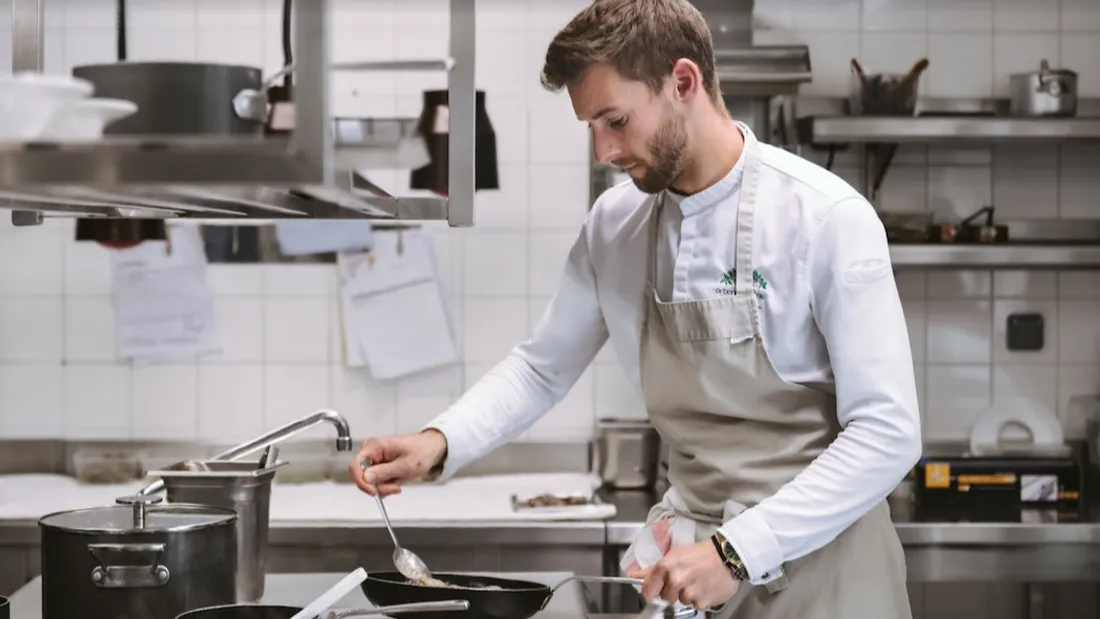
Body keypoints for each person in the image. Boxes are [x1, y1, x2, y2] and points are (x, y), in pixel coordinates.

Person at [349, 0, 921, 617]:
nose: (602, 149)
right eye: (590, 125)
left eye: (615, 119)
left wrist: (737, 552)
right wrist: (440, 441)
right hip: (692, 571)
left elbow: (887, 433)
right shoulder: (615, 226)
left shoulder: (826, 218)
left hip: (827, 578)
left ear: (683, 83)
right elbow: (542, 367)